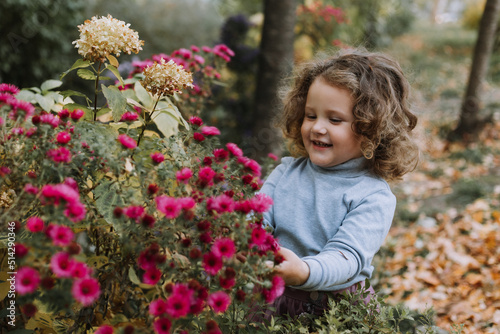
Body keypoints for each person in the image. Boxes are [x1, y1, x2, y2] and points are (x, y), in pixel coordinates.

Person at [259, 48, 420, 318]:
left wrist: (304, 272)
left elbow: (347, 257)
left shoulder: (372, 196)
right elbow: (256, 216)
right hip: (272, 299)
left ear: (371, 128)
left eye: (334, 119)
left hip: (335, 311)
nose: (318, 127)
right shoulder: (286, 173)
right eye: (311, 115)